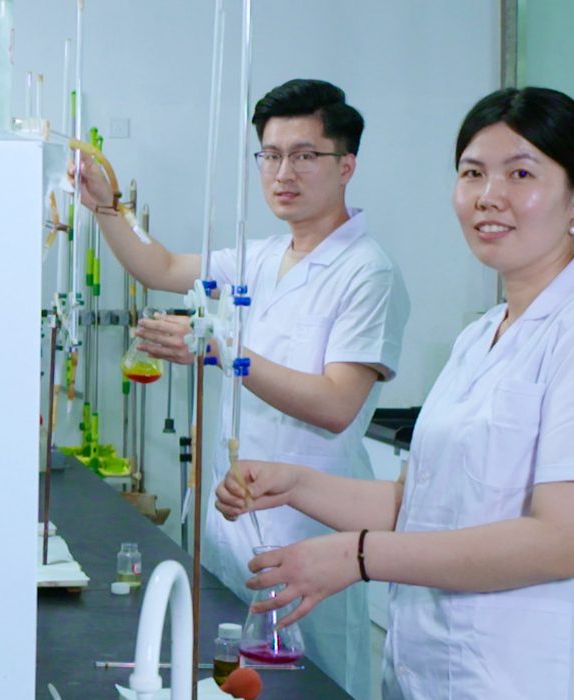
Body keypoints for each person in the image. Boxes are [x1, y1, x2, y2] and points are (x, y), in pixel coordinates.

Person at [216, 87, 574, 699]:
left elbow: (563, 541)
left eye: (520, 174)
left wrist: (358, 557)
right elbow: (422, 505)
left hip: (528, 681)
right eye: (472, 173)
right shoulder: (482, 335)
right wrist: (295, 484)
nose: (489, 196)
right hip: (428, 677)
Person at [74, 78, 407, 696]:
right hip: (230, 524)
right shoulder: (259, 257)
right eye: (271, 155)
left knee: (307, 687)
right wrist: (106, 209)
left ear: (346, 165)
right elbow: (160, 267)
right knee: (225, 675)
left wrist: (224, 353)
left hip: (309, 534)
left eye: (305, 155)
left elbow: (337, 404)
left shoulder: (368, 273)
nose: (283, 172)